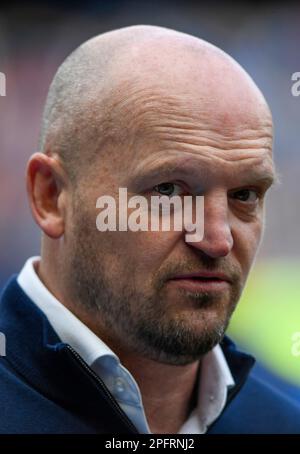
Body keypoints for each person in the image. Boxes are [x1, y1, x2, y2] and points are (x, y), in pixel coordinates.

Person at [0, 24, 299, 434]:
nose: (217, 239)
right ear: (52, 196)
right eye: (167, 190)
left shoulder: (283, 421)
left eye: (245, 195)